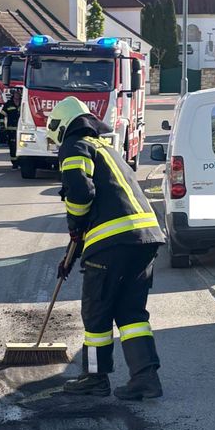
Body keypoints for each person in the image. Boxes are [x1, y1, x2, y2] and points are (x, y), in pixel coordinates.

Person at [47, 96, 166, 400]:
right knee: (131, 312)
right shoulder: (108, 150)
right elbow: (105, 203)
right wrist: (71, 251)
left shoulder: (75, 146)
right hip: (145, 240)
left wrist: (74, 223)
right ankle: (146, 379)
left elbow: (80, 192)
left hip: (113, 246)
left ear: (61, 127)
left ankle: (95, 378)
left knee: (96, 313)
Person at [1, 89, 22, 163]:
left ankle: (20, 161)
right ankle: (14, 163)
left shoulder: (24, 103)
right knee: (12, 146)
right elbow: (2, 114)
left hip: (22, 130)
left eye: (18, 94)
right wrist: (2, 125)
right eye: (16, 93)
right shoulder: (9, 104)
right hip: (11, 130)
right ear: (13, 94)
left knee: (22, 146)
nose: (17, 95)